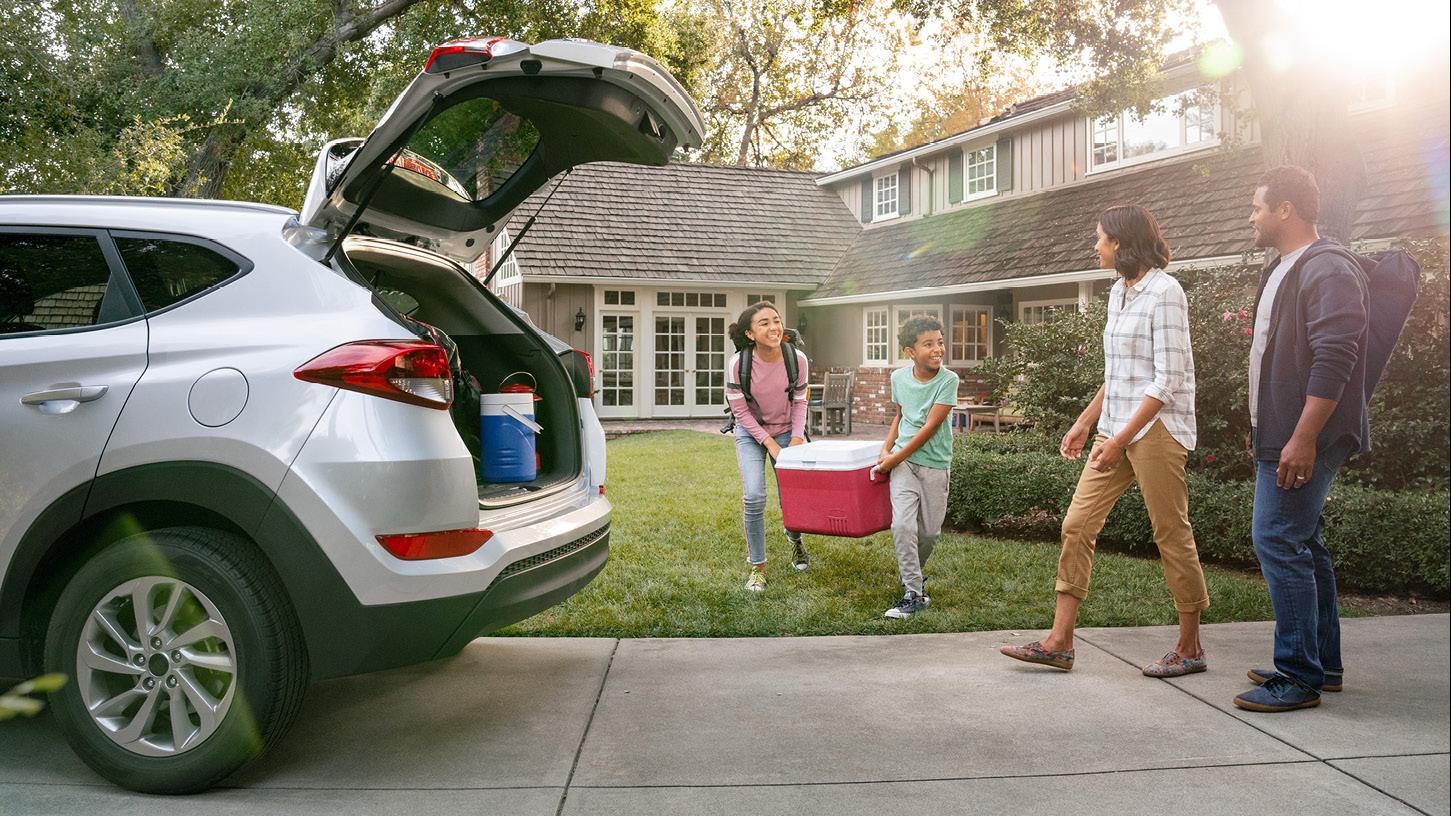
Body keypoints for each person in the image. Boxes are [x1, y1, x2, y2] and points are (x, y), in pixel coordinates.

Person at [1001, 205, 1210, 675]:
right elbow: (1118, 373)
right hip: (1114, 425)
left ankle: (1191, 647)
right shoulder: (1118, 292)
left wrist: (1119, 441)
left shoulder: (1166, 292)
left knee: (1170, 532)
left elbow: (1167, 379)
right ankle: (1059, 642)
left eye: (1100, 239)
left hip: (1157, 430)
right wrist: (1084, 421)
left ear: (1121, 243)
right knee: (1077, 524)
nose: (1095, 246)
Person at [1234, 166, 1369, 713]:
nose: (1252, 216)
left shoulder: (1329, 267)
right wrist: (1263, 430)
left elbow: (1337, 355)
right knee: (1303, 542)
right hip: (1282, 429)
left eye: (1258, 207)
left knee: (1278, 539)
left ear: (1286, 209)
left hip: (1306, 432)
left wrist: (1303, 437)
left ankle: (1298, 674)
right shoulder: (1283, 268)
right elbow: (1272, 358)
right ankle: (1322, 662)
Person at [876, 316, 958, 619]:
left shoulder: (948, 380)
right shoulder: (899, 378)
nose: (937, 349)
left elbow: (929, 427)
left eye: (939, 342)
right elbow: (901, 415)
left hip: (935, 464)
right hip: (904, 464)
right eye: (928, 344)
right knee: (902, 526)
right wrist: (887, 448)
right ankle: (914, 592)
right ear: (911, 352)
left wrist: (891, 458)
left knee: (930, 533)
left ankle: (911, 573)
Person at [726, 301, 811, 592]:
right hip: (751, 433)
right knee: (753, 496)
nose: (773, 327)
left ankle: (796, 541)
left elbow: (800, 402)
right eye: (764, 323)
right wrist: (769, 443)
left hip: (789, 432)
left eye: (776, 320)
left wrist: (797, 437)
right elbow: (741, 413)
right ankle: (757, 568)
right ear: (750, 334)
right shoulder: (739, 364)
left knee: (792, 497)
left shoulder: (796, 358)